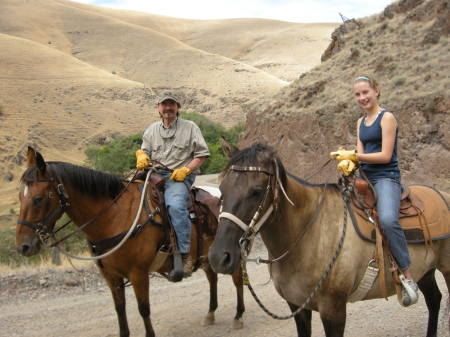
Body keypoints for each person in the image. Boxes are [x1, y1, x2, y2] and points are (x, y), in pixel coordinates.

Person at [331, 75, 419, 306]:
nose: (362, 98)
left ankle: (407, 274)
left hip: (385, 177)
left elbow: (385, 155)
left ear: (376, 91)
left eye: (365, 92)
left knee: (389, 219)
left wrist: (355, 155)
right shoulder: (360, 123)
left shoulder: (387, 117)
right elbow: (360, 156)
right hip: (364, 177)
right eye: (357, 94)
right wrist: (349, 164)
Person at [135, 91, 210, 278]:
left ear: (178, 108)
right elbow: (144, 150)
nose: (168, 108)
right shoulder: (151, 130)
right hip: (154, 174)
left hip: (179, 176)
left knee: (175, 206)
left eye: (172, 104)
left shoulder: (190, 127)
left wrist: (186, 170)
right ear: (158, 109)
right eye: (164, 105)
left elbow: (201, 154)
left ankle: (185, 256)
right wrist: (142, 156)